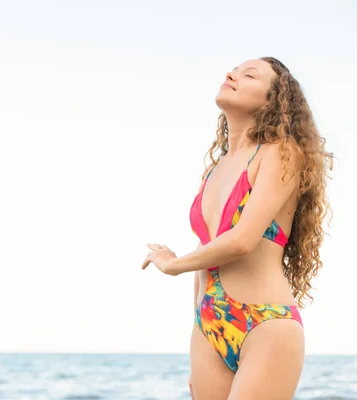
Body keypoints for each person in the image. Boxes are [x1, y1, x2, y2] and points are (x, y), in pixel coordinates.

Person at [141, 57, 333, 399]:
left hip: (266, 323)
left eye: (249, 75)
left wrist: (172, 265)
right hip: (208, 325)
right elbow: (207, 253)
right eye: (233, 70)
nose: (232, 74)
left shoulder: (281, 153)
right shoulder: (213, 170)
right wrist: (197, 330)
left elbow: (243, 240)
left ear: (273, 99)